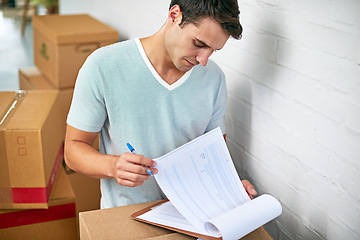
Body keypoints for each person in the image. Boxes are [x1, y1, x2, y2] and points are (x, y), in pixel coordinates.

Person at [64, 0, 257, 209]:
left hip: (192, 214)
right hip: (125, 216)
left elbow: (213, 159)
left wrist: (231, 188)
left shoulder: (214, 78)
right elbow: (73, 150)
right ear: (175, 16)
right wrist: (113, 166)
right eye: (199, 44)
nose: (203, 60)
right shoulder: (103, 66)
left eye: (213, 50)